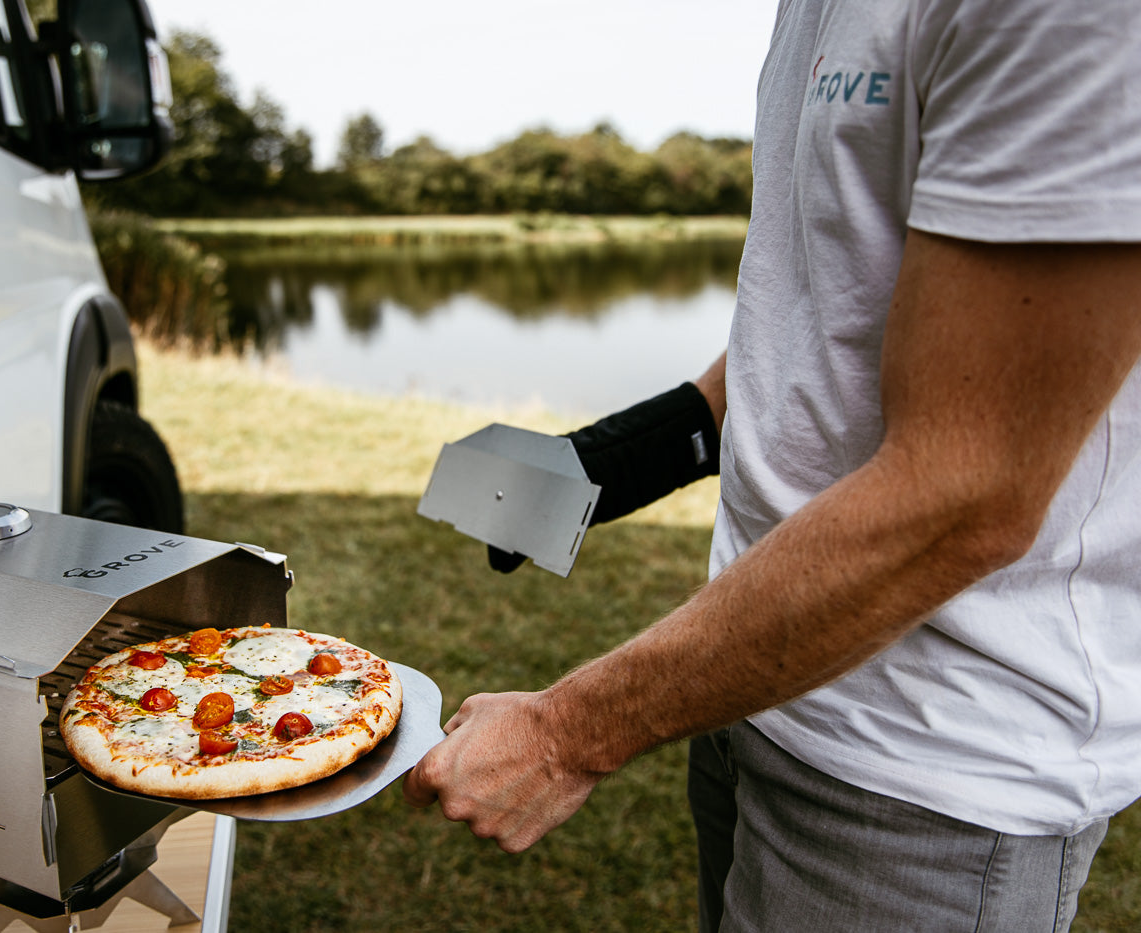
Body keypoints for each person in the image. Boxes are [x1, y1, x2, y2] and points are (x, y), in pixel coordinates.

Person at [402, 0, 1141, 928]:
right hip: (751, 676)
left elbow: (966, 495)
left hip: (932, 775)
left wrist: (565, 735)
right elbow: (814, 315)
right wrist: (601, 465)